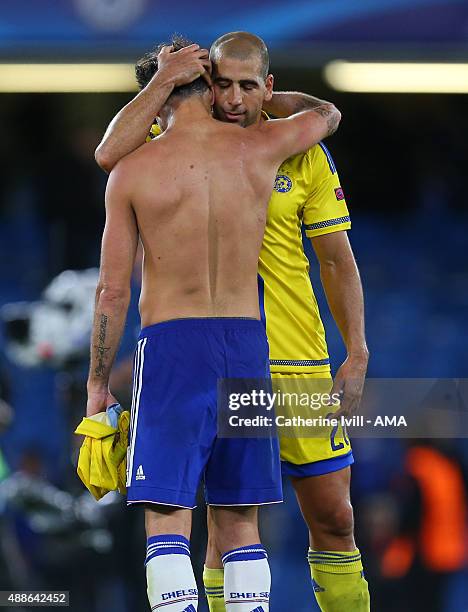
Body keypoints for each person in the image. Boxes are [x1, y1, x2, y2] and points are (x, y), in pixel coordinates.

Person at [95, 31, 370, 612]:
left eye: (252, 86)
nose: (237, 98)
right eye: (224, 84)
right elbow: (327, 112)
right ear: (206, 86)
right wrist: (168, 83)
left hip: (266, 354)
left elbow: (335, 259)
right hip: (241, 347)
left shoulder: (285, 149)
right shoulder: (190, 143)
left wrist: (358, 351)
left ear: (267, 88)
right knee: (232, 519)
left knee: (322, 518)